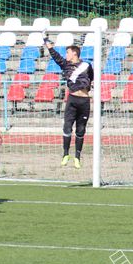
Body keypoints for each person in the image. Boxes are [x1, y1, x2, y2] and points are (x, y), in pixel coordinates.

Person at [43, 40, 93, 168]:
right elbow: (55, 56)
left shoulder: (87, 65)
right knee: (67, 127)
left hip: (84, 101)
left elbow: (91, 77)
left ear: (75, 53)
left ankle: (77, 156)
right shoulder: (66, 65)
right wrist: (47, 44)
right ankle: (65, 154)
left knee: (81, 129)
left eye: (68, 52)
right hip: (72, 100)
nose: (66, 55)